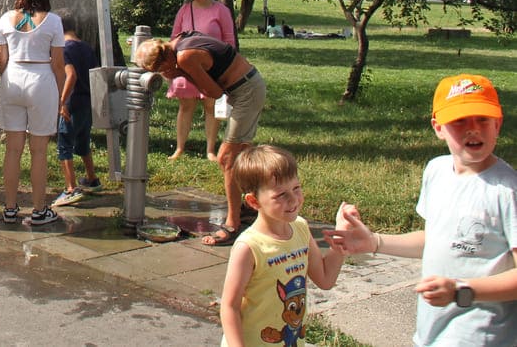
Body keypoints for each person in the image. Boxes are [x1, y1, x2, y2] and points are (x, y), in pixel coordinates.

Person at [323, 74, 517, 345]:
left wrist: (462, 290)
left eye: (482, 119)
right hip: (433, 330)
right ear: (438, 127)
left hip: (482, 335)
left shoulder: (507, 191)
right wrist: (375, 242)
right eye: (459, 120)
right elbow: (437, 239)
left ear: (498, 124)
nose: (473, 128)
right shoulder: (436, 171)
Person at [134, 31, 267, 245]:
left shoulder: (185, 57)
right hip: (246, 86)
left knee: (226, 159)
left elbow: (214, 92)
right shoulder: (177, 44)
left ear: (166, 60)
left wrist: (182, 74)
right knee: (239, 157)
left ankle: (233, 225)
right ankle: (250, 206)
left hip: (246, 91)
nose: (163, 73)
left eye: (159, 69)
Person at [219, 144, 346, 347]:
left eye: (296, 188)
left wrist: (341, 240)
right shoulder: (249, 247)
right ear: (254, 201)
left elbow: (325, 279)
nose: (293, 199)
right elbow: (229, 306)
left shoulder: (301, 228)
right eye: (281, 195)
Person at [0, 0, 66, 227]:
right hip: (41, 79)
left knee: (12, 149)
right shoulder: (54, 21)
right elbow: (58, 64)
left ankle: (10, 208)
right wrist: (61, 98)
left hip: (12, 77)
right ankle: (38, 210)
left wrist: (3, 82)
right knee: (38, 151)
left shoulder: (5, 18)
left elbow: (1, 60)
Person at [168, 0, 237, 160]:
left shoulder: (221, 10)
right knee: (186, 106)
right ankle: (180, 148)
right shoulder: (184, 10)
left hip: (212, 66)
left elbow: (229, 39)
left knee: (210, 105)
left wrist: (228, 64)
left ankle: (210, 150)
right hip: (186, 65)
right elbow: (174, 36)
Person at [53, 9, 101, 207]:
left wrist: (62, 101)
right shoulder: (86, 47)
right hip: (88, 101)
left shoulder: (64, 48)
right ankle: (92, 178)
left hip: (72, 103)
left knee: (65, 144)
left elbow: (70, 75)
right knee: (83, 141)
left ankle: (71, 188)